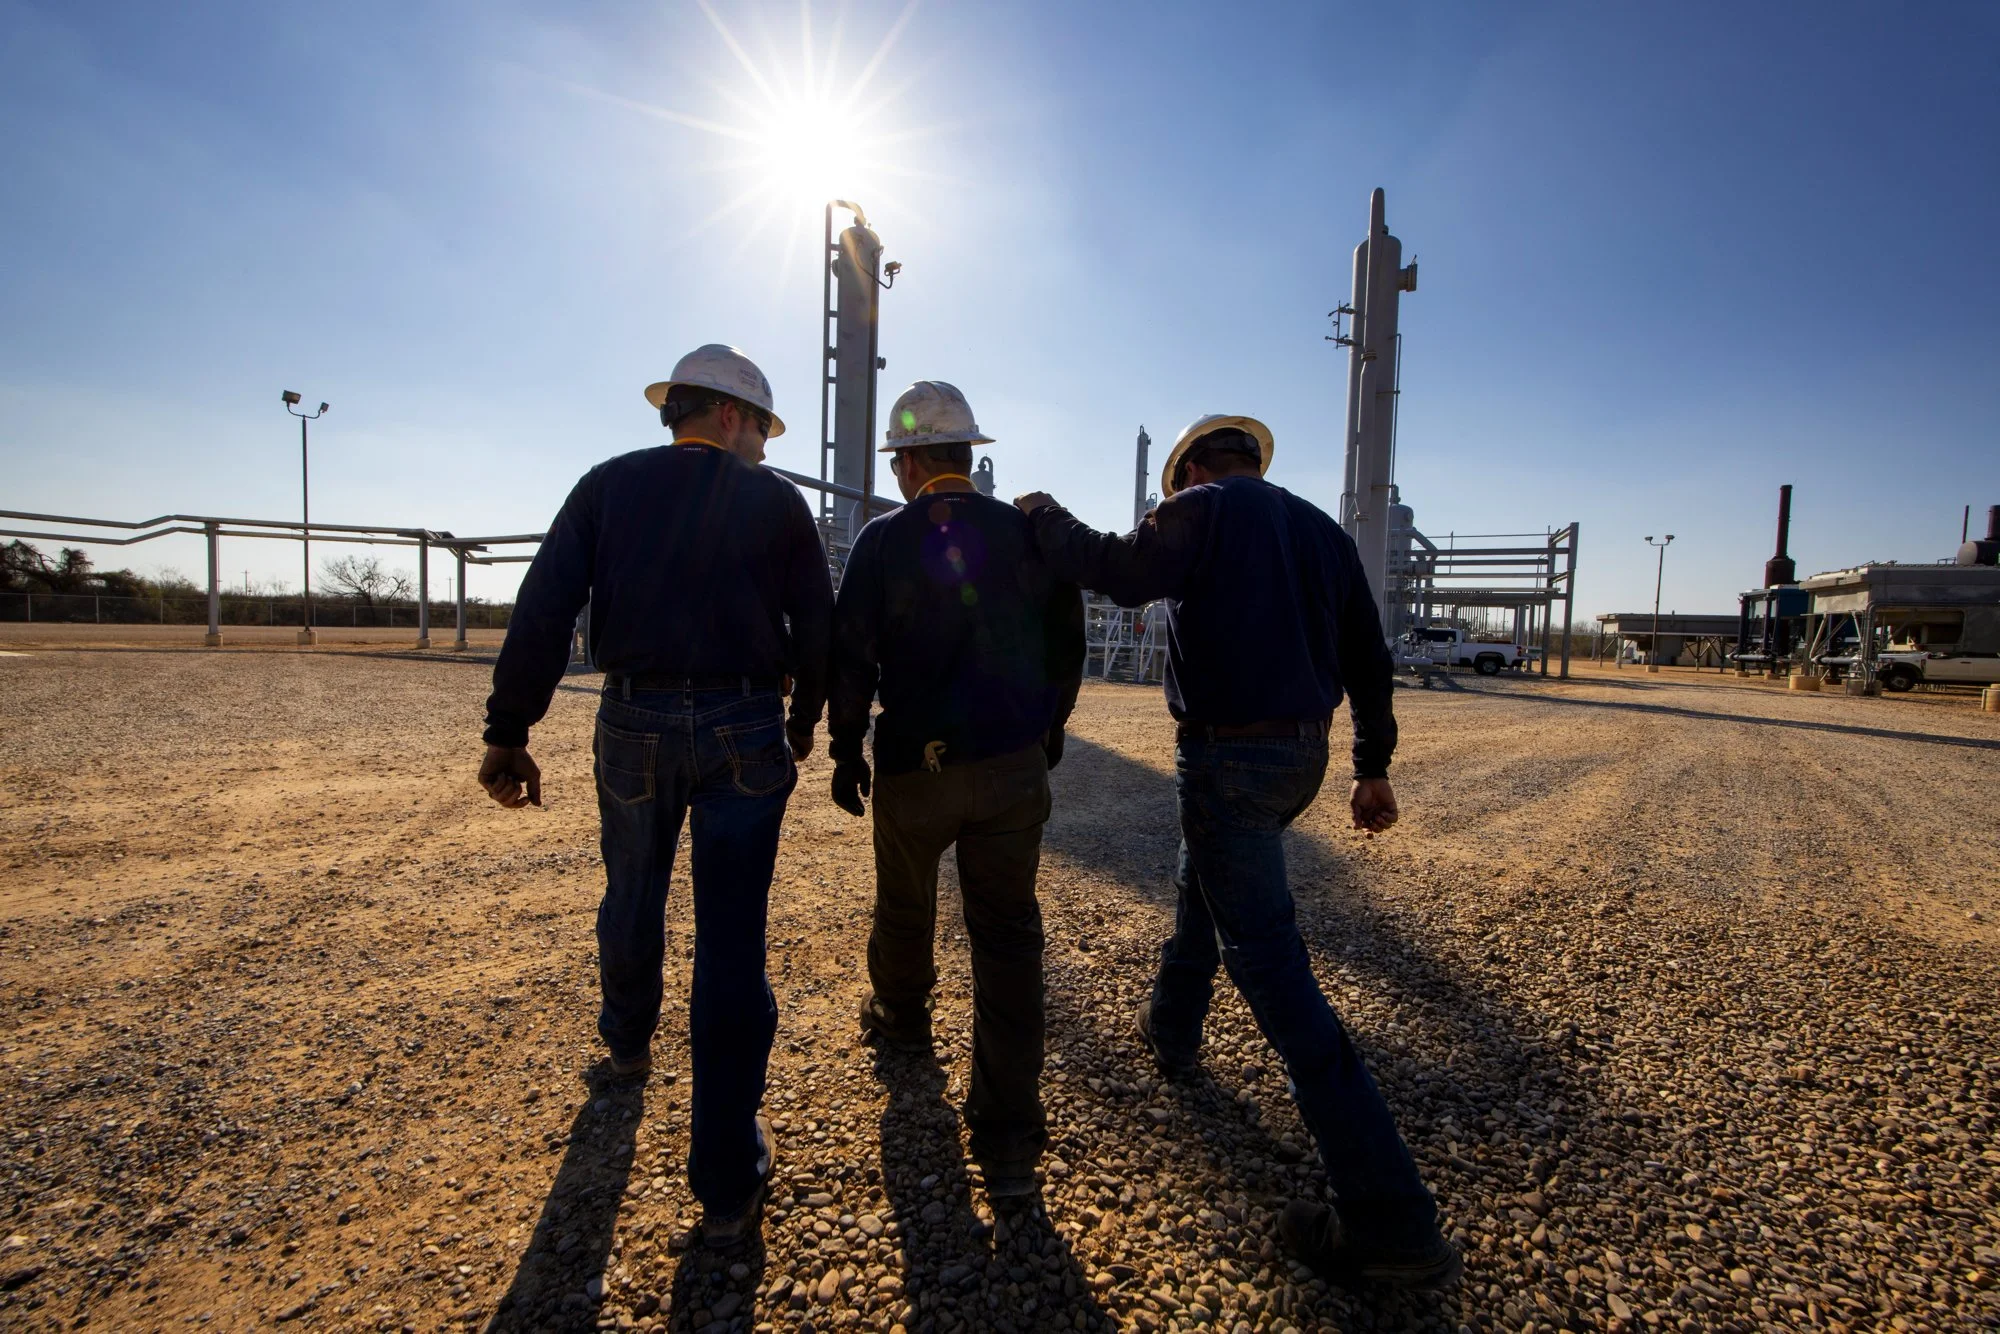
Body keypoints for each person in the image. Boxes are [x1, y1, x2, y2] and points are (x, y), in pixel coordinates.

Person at [1013, 415, 1459, 1288]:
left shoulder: (1203, 509)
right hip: (1301, 754)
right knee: (1203, 883)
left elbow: (1118, 571)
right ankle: (1171, 1028)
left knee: (1272, 967)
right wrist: (1373, 768)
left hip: (1228, 755)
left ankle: (1391, 1216)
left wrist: (1041, 513)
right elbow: (1369, 654)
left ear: (1187, 470)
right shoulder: (1320, 529)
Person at [477, 344, 833, 1250]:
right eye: (761, 426)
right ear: (727, 416)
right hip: (743, 721)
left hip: (632, 719)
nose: (761, 444)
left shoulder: (606, 486)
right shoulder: (775, 501)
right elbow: (818, 627)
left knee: (631, 891)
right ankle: (724, 1179)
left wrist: (509, 730)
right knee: (731, 940)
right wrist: (804, 724)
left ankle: (628, 1041)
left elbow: (544, 607)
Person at [827, 381, 1085, 1201]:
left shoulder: (881, 542)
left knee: (905, 904)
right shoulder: (1028, 533)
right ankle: (1008, 1131)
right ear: (971, 456)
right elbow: (1068, 645)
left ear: (906, 463)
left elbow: (850, 656)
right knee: (1007, 934)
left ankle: (902, 1017)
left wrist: (842, 748)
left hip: (916, 764)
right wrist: (1048, 731)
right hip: (1011, 764)